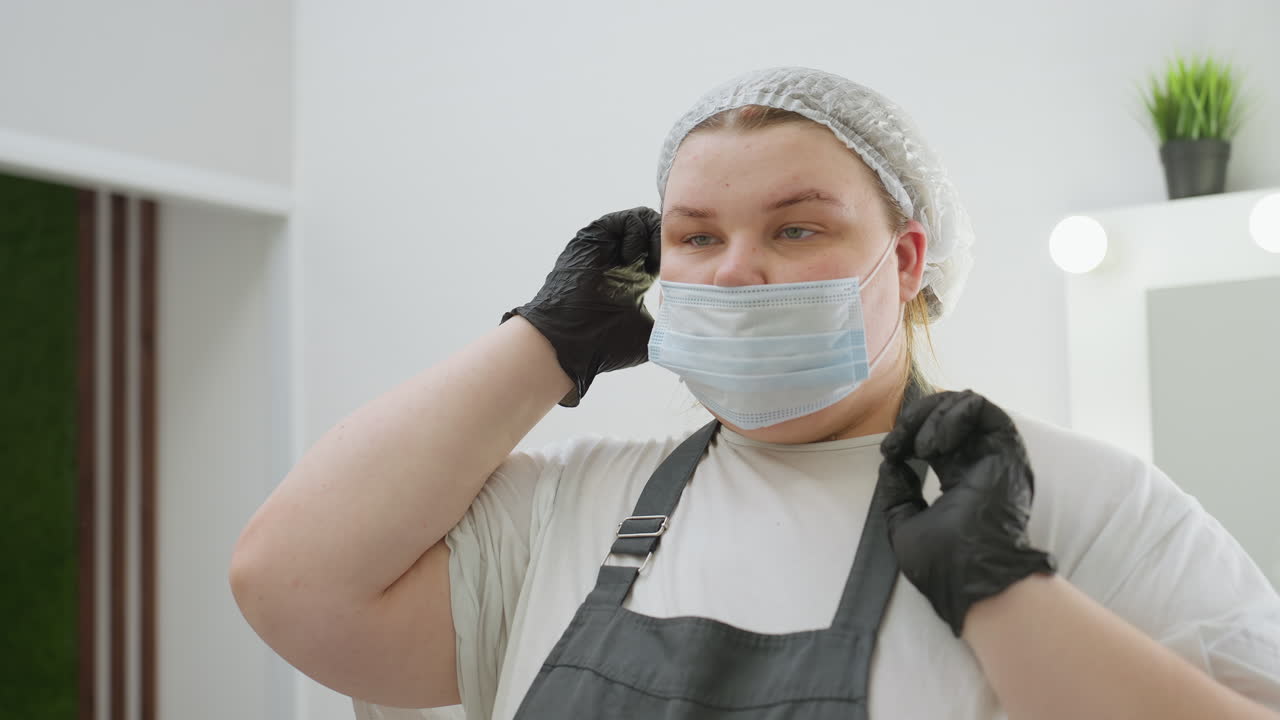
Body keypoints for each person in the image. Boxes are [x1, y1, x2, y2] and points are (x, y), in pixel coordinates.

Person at [229, 67, 1280, 719]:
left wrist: (1003, 593)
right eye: (694, 236)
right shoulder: (573, 508)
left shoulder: (1076, 503)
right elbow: (289, 582)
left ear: (906, 261)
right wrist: (544, 346)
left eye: (794, 227)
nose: (732, 270)